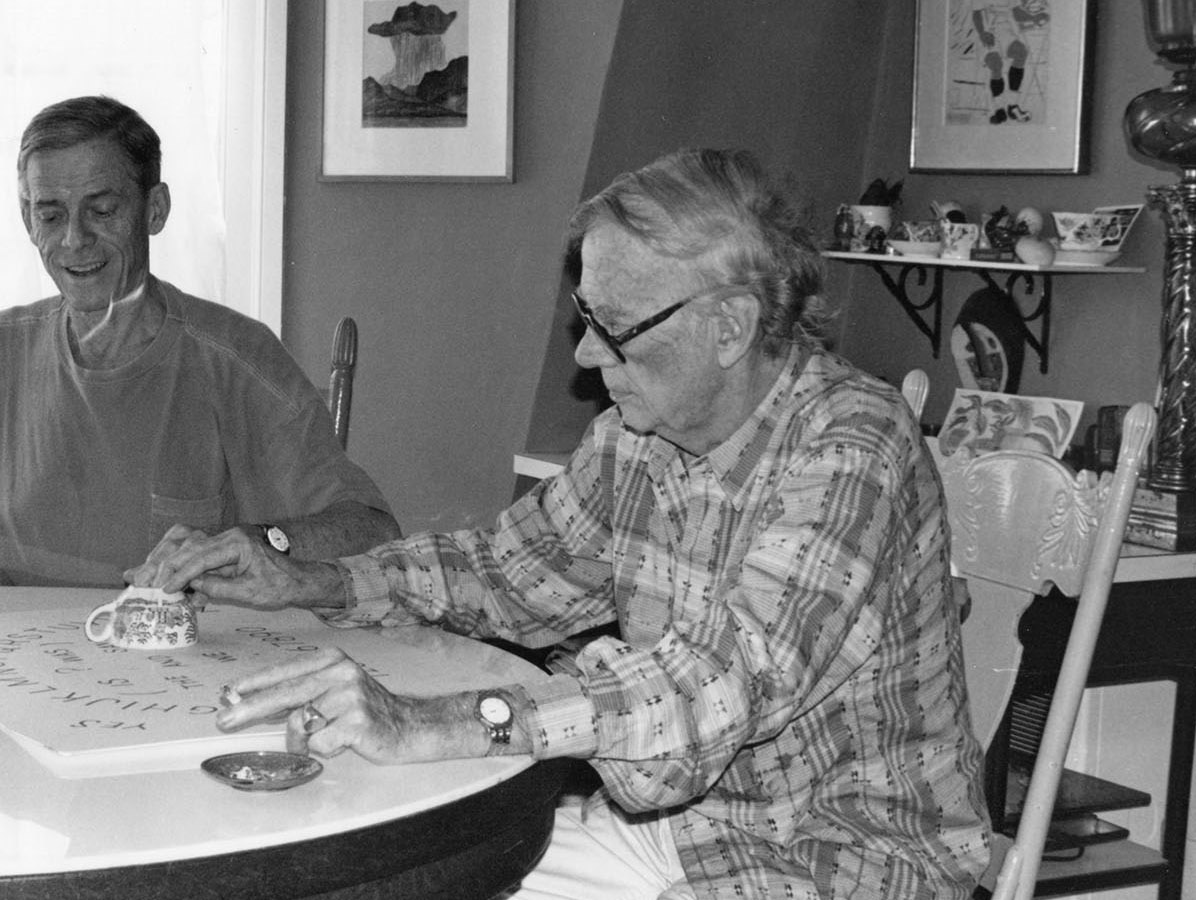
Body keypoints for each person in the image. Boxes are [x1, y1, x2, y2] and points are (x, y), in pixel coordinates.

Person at [131, 149, 993, 899]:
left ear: (730, 326)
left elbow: (711, 690)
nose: (584, 355)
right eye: (586, 320)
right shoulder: (635, 439)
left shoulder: (854, 444)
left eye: (612, 327)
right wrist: (309, 581)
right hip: (682, 833)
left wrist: (429, 722)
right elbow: (502, 574)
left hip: (839, 864)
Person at [0, 95, 398, 588]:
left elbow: (374, 531)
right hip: (22, 658)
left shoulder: (237, 358)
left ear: (155, 210)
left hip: (188, 657)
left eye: (102, 210)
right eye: (49, 216)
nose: (74, 239)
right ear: (27, 221)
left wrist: (258, 541)